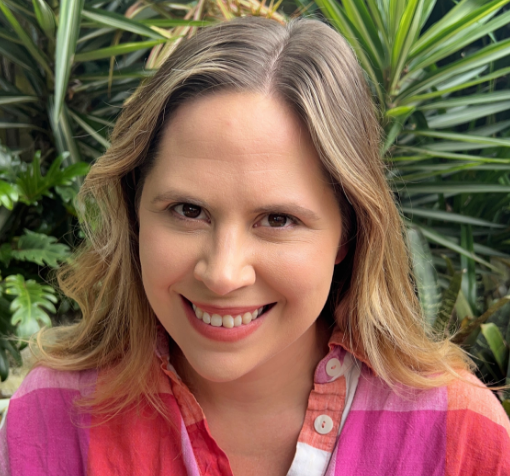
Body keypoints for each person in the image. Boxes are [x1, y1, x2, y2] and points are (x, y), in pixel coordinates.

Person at [1, 16, 509, 476]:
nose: (222, 274)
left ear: (348, 233)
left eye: (278, 219)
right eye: (187, 211)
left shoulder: (459, 433)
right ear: (134, 213)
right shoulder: (53, 416)